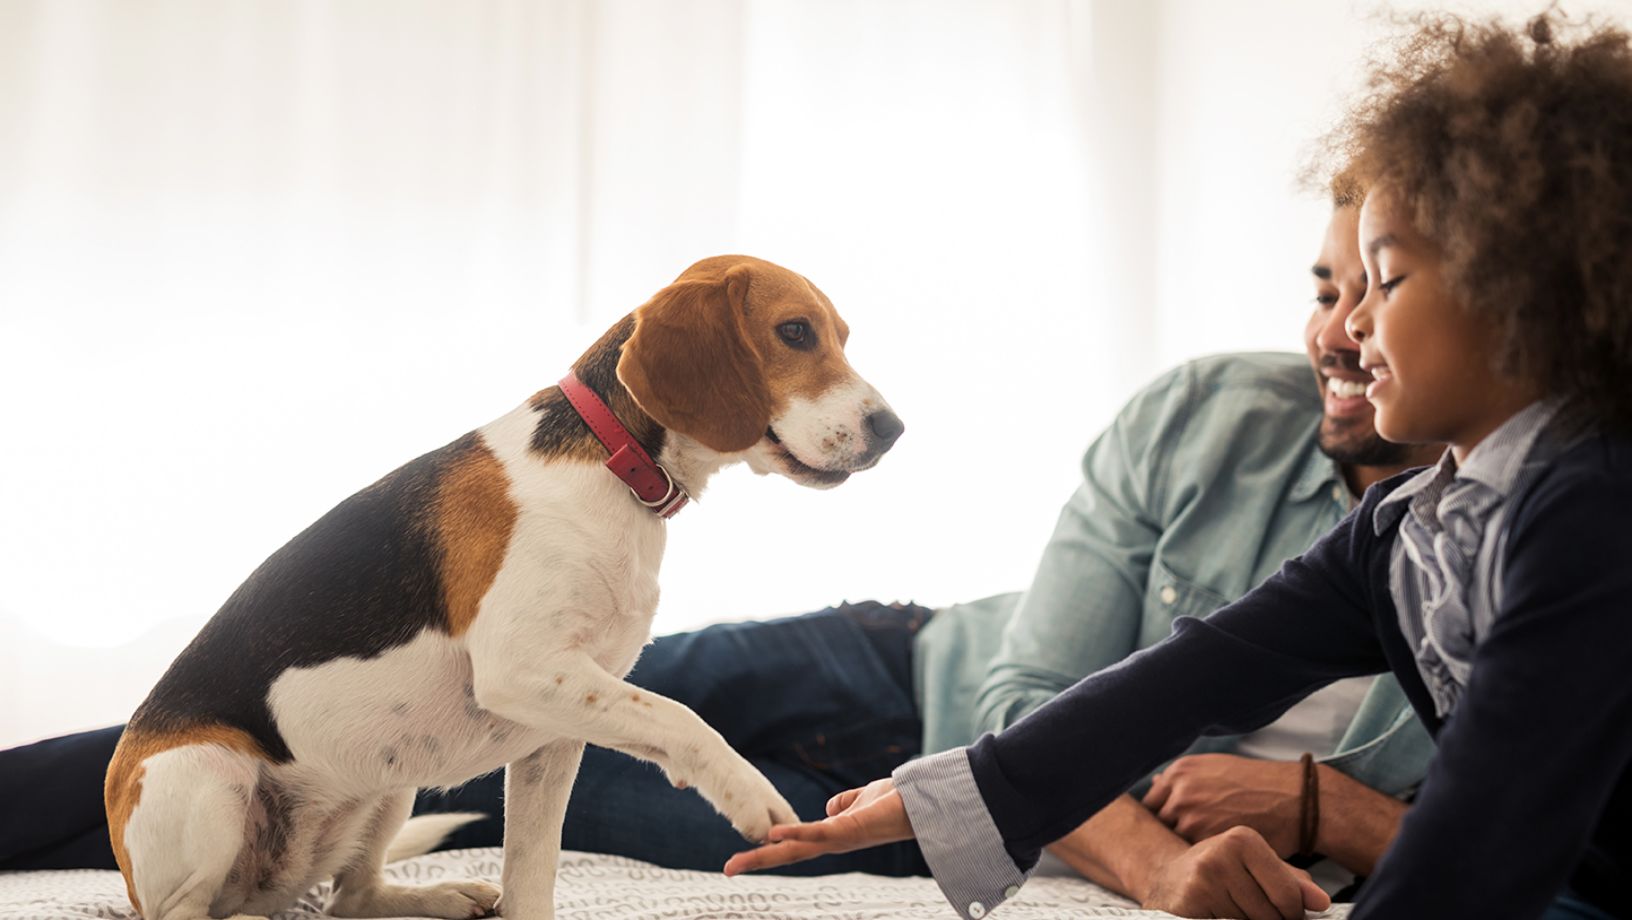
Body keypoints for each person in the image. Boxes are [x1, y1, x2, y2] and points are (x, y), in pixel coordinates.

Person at [724, 12, 1632, 920]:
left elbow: (1484, 836)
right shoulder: (1403, 528)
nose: (1350, 327)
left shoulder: (1592, 511)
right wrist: (955, 796)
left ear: (1519, 299)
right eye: (1338, 289)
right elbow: (1203, 671)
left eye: (1385, 282)